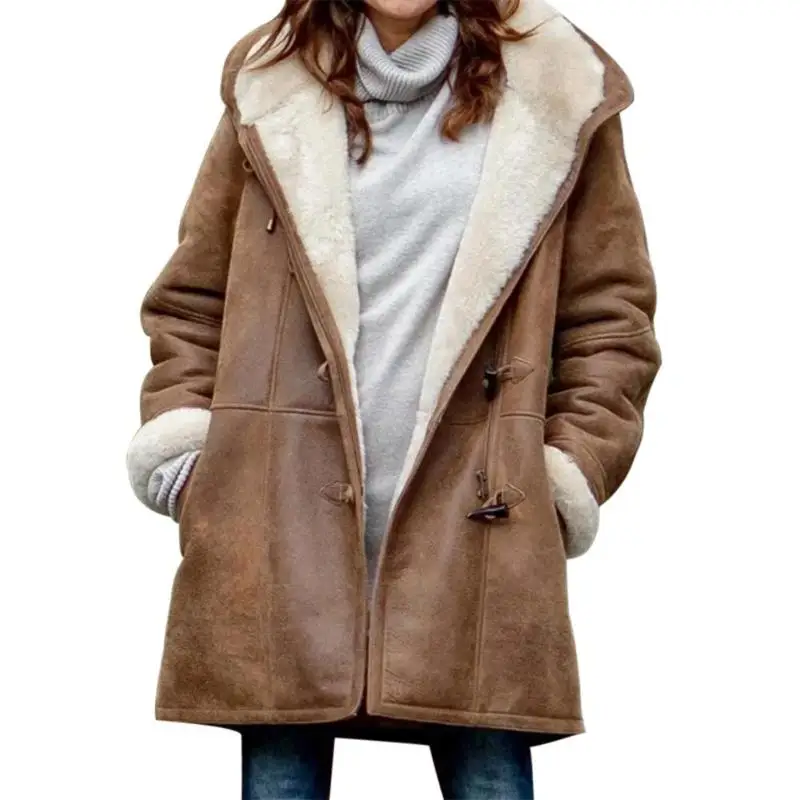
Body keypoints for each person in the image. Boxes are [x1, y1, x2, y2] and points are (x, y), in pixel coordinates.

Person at [125, 0, 662, 796]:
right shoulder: (272, 82)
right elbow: (192, 301)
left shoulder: (557, 89)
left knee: (490, 775)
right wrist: (190, 458)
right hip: (277, 522)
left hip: (480, 522)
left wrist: (561, 475)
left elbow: (610, 322)